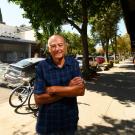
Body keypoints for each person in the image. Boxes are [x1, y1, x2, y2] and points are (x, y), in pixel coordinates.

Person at [34, 34, 85, 135]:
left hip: (69, 122)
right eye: (53, 46)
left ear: (65, 47)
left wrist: (54, 89)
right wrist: (69, 89)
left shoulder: (73, 64)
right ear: (49, 49)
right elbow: (38, 99)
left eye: (60, 45)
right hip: (47, 125)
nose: (57, 49)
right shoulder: (42, 67)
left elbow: (80, 91)